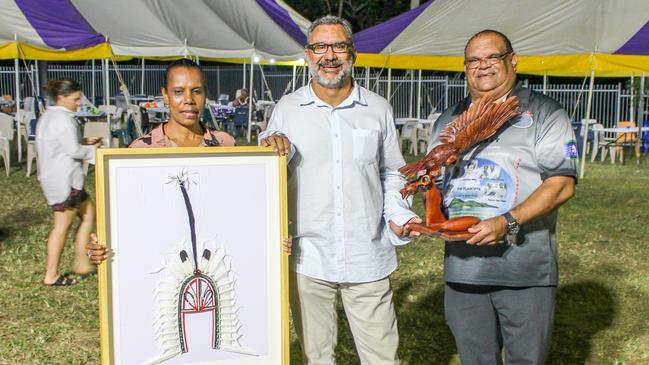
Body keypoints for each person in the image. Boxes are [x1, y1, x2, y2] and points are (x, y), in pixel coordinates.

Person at [259, 15, 420, 365]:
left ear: (353, 53)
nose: (328, 55)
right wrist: (270, 148)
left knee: (382, 358)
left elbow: (394, 173)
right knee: (317, 358)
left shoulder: (377, 109)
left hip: (367, 255)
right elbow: (265, 172)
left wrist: (398, 215)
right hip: (307, 258)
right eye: (319, 47)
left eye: (338, 46)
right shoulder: (287, 110)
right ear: (307, 55)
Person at [427, 30, 577, 364]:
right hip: (463, 270)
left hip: (524, 271)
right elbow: (434, 184)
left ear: (513, 59)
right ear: (465, 68)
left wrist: (506, 221)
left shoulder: (546, 113)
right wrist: (424, 217)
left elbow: (563, 182)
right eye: (474, 60)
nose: (483, 66)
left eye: (492, 57)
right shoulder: (448, 120)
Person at [85, 59, 237, 262]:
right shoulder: (141, 151)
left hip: (214, 257)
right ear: (165, 95)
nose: (189, 100)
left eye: (196, 91)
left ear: (205, 94)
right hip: (160, 262)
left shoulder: (225, 144)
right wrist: (100, 247)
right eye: (178, 91)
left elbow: (234, 207)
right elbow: (126, 217)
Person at [36, 78, 101, 286]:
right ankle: (52, 274)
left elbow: (64, 145)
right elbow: (72, 151)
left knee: (89, 214)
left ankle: (82, 262)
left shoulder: (49, 116)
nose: (78, 103)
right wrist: (94, 152)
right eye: (75, 99)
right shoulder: (64, 119)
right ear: (61, 98)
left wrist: (83, 143)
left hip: (56, 177)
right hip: (65, 181)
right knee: (61, 227)